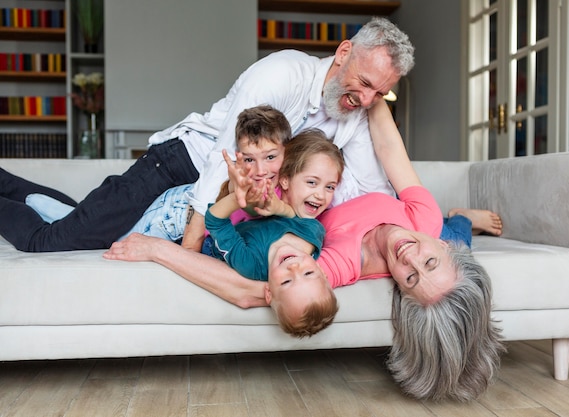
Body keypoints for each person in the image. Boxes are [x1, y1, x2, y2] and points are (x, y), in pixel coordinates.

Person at [104, 100, 505, 401]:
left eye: (411, 277)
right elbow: (388, 145)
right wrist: (374, 89)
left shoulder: (342, 264)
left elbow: (251, 291)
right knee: (455, 229)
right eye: (429, 260)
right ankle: (462, 219)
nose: (409, 256)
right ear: (441, 248)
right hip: (443, 225)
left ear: (400, 288)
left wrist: (159, 251)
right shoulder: (426, 220)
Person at [0, 16, 415, 252]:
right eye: (362, 82)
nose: (365, 98)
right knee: (49, 240)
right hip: (177, 166)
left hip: (221, 201)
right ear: (343, 54)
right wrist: (194, 237)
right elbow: (226, 150)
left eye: (379, 93)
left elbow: (364, 189)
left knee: (84, 224)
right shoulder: (284, 72)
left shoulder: (357, 117)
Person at [203, 128, 345, 337]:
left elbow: (215, 222)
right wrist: (279, 208)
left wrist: (237, 198)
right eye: (308, 273)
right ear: (322, 272)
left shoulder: (252, 264)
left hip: (211, 238)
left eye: (287, 281)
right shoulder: (314, 230)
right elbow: (295, 217)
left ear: (268, 291)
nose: (294, 268)